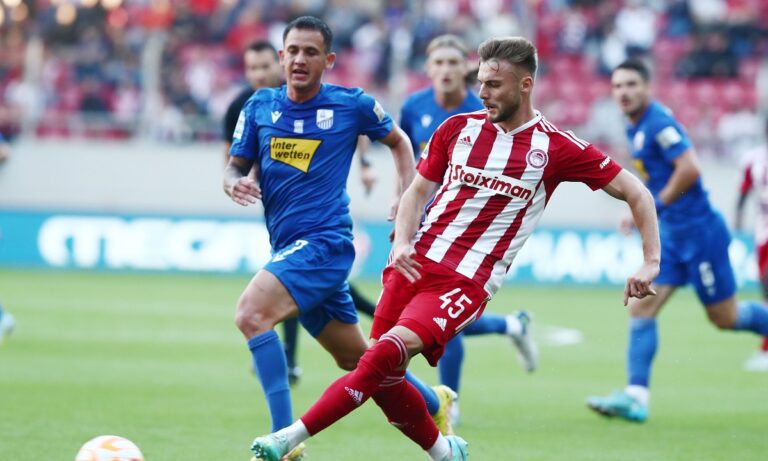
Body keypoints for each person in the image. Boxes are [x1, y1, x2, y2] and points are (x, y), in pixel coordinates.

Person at [250, 36, 661, 461]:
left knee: (382, 356)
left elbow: (637, 192)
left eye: (493, 85)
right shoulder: (457, 129)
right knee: (384, 374)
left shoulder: (555, 147)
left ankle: (287, 438)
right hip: (413, 263)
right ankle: (446, 453)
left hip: (465, 280)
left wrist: (650, 260)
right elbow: (416, 192)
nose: (481, 92)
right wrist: (403, 241)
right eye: (480, 82)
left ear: (525, 85)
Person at [225, 16, 449, 460]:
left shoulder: (351, 105)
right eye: (293, 51)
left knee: (251, 314)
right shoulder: (259, 107)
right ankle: (432, 401)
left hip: (325, 243)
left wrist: (404, 198)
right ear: (281, 56)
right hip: (289, 246)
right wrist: (234, 182)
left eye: (310, 52)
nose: (300, 60)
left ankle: (284, 441)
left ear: (328, 60)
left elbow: (400, 142)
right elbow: (235, 166)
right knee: (357, 360)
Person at [587, 59, 768, 422]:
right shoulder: (636, 126)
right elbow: (658, 176)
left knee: (726, 317)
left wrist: (653, 204)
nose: (623, 92)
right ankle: (636, 398)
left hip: (700, 235)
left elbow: (690, 168)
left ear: (648, 87)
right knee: (641, 308)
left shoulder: (658, 123)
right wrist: (638, 208)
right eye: (618, 86)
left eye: (631, 84)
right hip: (672, 237)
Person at [399, 34, 538, 426]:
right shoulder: (414, 106)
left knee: (442, 318)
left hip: (469, 232)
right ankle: (512, 325)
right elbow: (409, 162)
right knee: (428, 316)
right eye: (438, 62)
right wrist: (402, 206)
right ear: (429, 68)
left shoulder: (485, 109)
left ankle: (449, 401)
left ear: (467, 69)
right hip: (425, 222)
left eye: (453, 62)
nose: (445, 69)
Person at [734, 122, 768, 372]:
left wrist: (737, 217)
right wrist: (737, 219)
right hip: (763, 232)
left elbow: (743, 196)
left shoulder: (753, 158)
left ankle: (766, 349)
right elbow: (743, 194)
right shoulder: (753, 159)